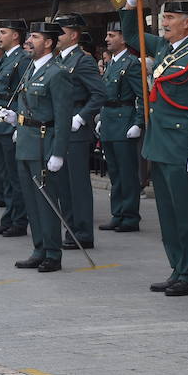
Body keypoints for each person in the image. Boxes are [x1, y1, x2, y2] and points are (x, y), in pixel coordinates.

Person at [120, 0, 188, 295]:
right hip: (160, 144)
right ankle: (177, 267)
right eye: (164, 16)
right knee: (168, 214)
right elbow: (132, 36)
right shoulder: (165, 48)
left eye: (170, 17)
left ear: (187, 24)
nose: (163, 22)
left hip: (184, 147)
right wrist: (129, 5)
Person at [2, 21, 73, 273]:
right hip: (26, 141)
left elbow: (63, 116)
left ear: (49, 42)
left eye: (34, 37)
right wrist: (16, 120)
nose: (28, 41)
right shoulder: (30, 69)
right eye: (29, 36)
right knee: (32, 201)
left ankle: (53, 253)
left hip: (45, 144)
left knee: (46, 202)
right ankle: (39, 248)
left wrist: (58, 152)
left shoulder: (58, 72)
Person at [52, 14, 106, 251]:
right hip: (58, 125)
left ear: (73, 35)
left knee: (78, 184)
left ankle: (83, 233)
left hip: (75, 127)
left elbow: (99, 94)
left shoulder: (82, 60)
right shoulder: (56, 60)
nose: (56, 37)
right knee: (63, 184)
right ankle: (70, 228)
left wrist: (81, 117)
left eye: (60, 32)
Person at [97, 21, 145, 232]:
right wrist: (100, 119)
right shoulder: (111, 63)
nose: (107, 39)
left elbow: (142, 95)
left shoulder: (131, 63)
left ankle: (130, 216)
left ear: (124, 38)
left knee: (127, 173)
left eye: (111, 35)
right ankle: (118, 213)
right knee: (114, 173)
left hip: (124, 119)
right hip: (109, 120)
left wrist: (139, 122)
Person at [0, 20, 31, 238]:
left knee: (15, 176)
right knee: (4, 175)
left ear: (15, 36)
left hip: (9, 120)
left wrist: (18, 121)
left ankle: (19, 220)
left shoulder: (22, 59)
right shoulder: (4, 58)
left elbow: (24, 92)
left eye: (3, 32)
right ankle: (9, 217)